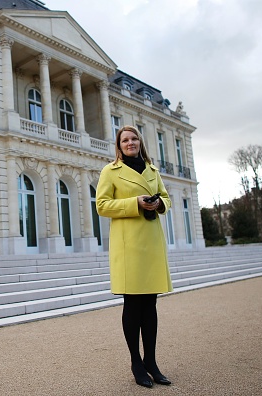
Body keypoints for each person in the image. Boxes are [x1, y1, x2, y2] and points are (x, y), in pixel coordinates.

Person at [96, 125, 173, 388]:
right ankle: (136, 363)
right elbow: (102, 205)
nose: (130, 143)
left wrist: (158, 203)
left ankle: (151, 361)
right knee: (133, 306)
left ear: (140, 142)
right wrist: (134, 203)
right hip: (128, 245)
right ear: (119, 146)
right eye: (125, 140)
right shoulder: (110, 171)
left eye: (134, 138)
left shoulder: (152, 170)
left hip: (150, 242)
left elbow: (166, 197)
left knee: (150, 306)